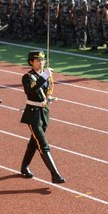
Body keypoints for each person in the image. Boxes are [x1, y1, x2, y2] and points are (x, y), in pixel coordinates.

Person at [17, 51, 65, 183]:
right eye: (37, 60)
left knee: (34, 142)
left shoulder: (46, 75)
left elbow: (45, 91)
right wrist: (44, 76)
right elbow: (31, 90)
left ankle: (24, 167)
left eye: (42, 60)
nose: (41, 62)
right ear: (31, 62)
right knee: (43, 144)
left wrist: (49, 98)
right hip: (33, 114)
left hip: (44, 113)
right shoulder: (27, 77)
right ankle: (55, 174)